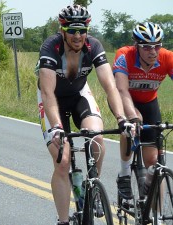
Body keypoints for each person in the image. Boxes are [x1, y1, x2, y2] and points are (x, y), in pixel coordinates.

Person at [35, 4, 132, 225]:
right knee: (63, 160)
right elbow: (48, 94)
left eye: (81, 30)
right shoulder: (51, 47)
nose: (77, 35)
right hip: (52, 100)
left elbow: (110, 87)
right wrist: (58, 127)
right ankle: (63, 221)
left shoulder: (94, 46)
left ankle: (92, 189)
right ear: (63, 31)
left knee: (97, 138)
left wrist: (121, 118)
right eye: (72, 30)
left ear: (87, 30)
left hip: (79, 94)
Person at [114, 22, 173, 199]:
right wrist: (132, 117)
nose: (153, 51)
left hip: (149, 103)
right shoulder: (124, 55)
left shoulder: (168, 58)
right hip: (125, 100)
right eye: (146, 47)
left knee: (153, 162)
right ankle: (124, 174)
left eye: (157, 46)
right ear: (136, 46)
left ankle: (155, 212)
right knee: (129, 128)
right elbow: (122, 90)